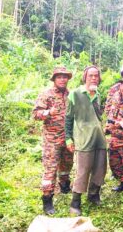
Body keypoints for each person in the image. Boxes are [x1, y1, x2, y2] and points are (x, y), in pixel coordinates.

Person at [65, 66, 107, 216]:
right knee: (83, 170)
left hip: (99, 138)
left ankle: (93, 194)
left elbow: (98, 117)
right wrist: (68, 138)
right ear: (85, 77)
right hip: (83, 139)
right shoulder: (75, 94)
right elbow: (68, 118)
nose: (94, 78)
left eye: (96, 76)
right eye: (91, 76)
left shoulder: (98, 95)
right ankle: (75, 202)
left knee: (100, 168)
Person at [32, 66, 73, 215]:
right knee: (50, 170)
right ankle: (47, 199)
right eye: (59, 77)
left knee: (67, 164)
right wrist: (48, 112)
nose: (62, 79)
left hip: (68, 139)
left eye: (65, 77)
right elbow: (35, 114)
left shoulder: (71, 94)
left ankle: (64, 186)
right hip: (52, 140)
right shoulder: (46, 94)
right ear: (54, 79)